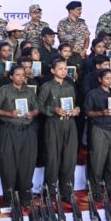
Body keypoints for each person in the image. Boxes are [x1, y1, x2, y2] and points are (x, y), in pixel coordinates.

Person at [0, 65, 39, 206]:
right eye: (17, 75)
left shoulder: (29, 91)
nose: (21, 77)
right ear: (11, 76)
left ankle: (25, 197)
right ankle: (10, 198)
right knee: (8, 165)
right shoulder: (4, 90)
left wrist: (32, 113)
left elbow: (37, 108)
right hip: (9, 131)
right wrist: (9, 113)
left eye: (23, 75)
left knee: (27, 164)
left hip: (27, 131)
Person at [38, 58, 80, 200]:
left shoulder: (70, 86)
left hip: (70, 124)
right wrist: (53, 109)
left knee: (70, 158)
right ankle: (50, 192)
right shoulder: (47, 87)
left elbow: (75, 104)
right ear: (53, 70)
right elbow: (38, 106)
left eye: (65, 68)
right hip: (53, 124)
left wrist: (76, 110)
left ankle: (67, 191)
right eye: (60, 68)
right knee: (52, 158)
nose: (63, 71)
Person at [84, 68, 111, 201]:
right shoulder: (93, 94)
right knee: (97, 161)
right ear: (100, 79)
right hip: (99, 128)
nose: (110, 80)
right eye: (107, 78)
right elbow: (87, 112)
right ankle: (95, 190)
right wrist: (101, 113)